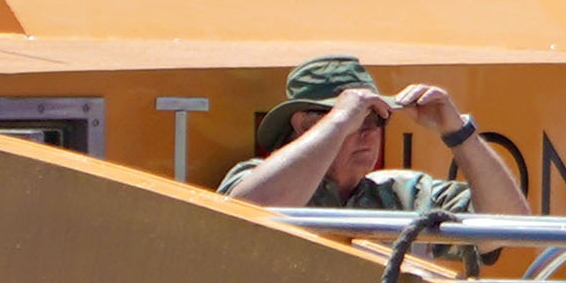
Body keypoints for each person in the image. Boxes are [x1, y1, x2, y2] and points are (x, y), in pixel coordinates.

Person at [217, 54, 525, 218]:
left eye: (377, 117)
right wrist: (340, 121)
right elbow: (243, 216)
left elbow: (507, 224)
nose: (368, 130)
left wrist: (459, 133)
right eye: (357, 118)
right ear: (304, 126)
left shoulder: (406, 196)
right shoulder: (254, 177)